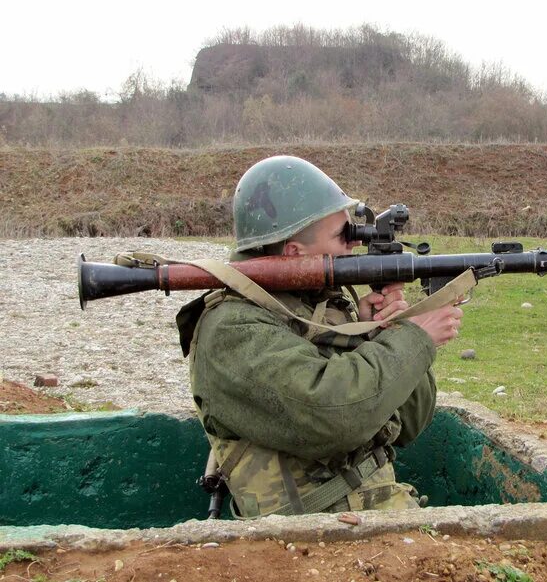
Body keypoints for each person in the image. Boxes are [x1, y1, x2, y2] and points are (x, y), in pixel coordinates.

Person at [178, 155, 464, 517]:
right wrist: (413, 339)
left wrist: (381, 333)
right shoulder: (232, 328)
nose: (354, 245)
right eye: (342, 236)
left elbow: (408, 424)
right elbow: (334, 414)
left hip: (372, 517)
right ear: (295, 253)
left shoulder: (321, 307)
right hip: (305, 540)